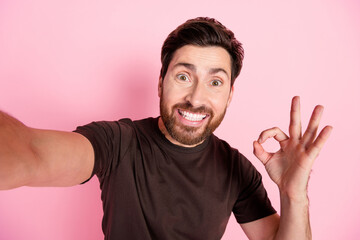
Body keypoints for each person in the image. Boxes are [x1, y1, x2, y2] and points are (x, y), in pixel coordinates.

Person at [0, 17, 332, 240]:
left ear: (230, 95)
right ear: (161, 83)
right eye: (183, 76)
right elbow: (31, 153)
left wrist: (293, 193)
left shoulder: (236, 170)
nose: (196, 98)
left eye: (215, 82)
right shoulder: (116, 142)